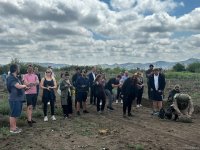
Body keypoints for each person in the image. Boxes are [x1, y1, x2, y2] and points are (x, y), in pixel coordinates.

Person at [6, 64, 29, 133]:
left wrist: (25, 88)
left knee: (15, 114)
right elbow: (18, 86)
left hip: (17, 98)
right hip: (14, 99)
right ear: (15, 69)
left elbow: (18, 87)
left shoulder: (15, 77)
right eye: (18, 68)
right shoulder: (11, 77)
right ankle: (12, 129)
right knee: (13, 114)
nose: (19, 69)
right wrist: (25, 85)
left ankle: (15, 127)